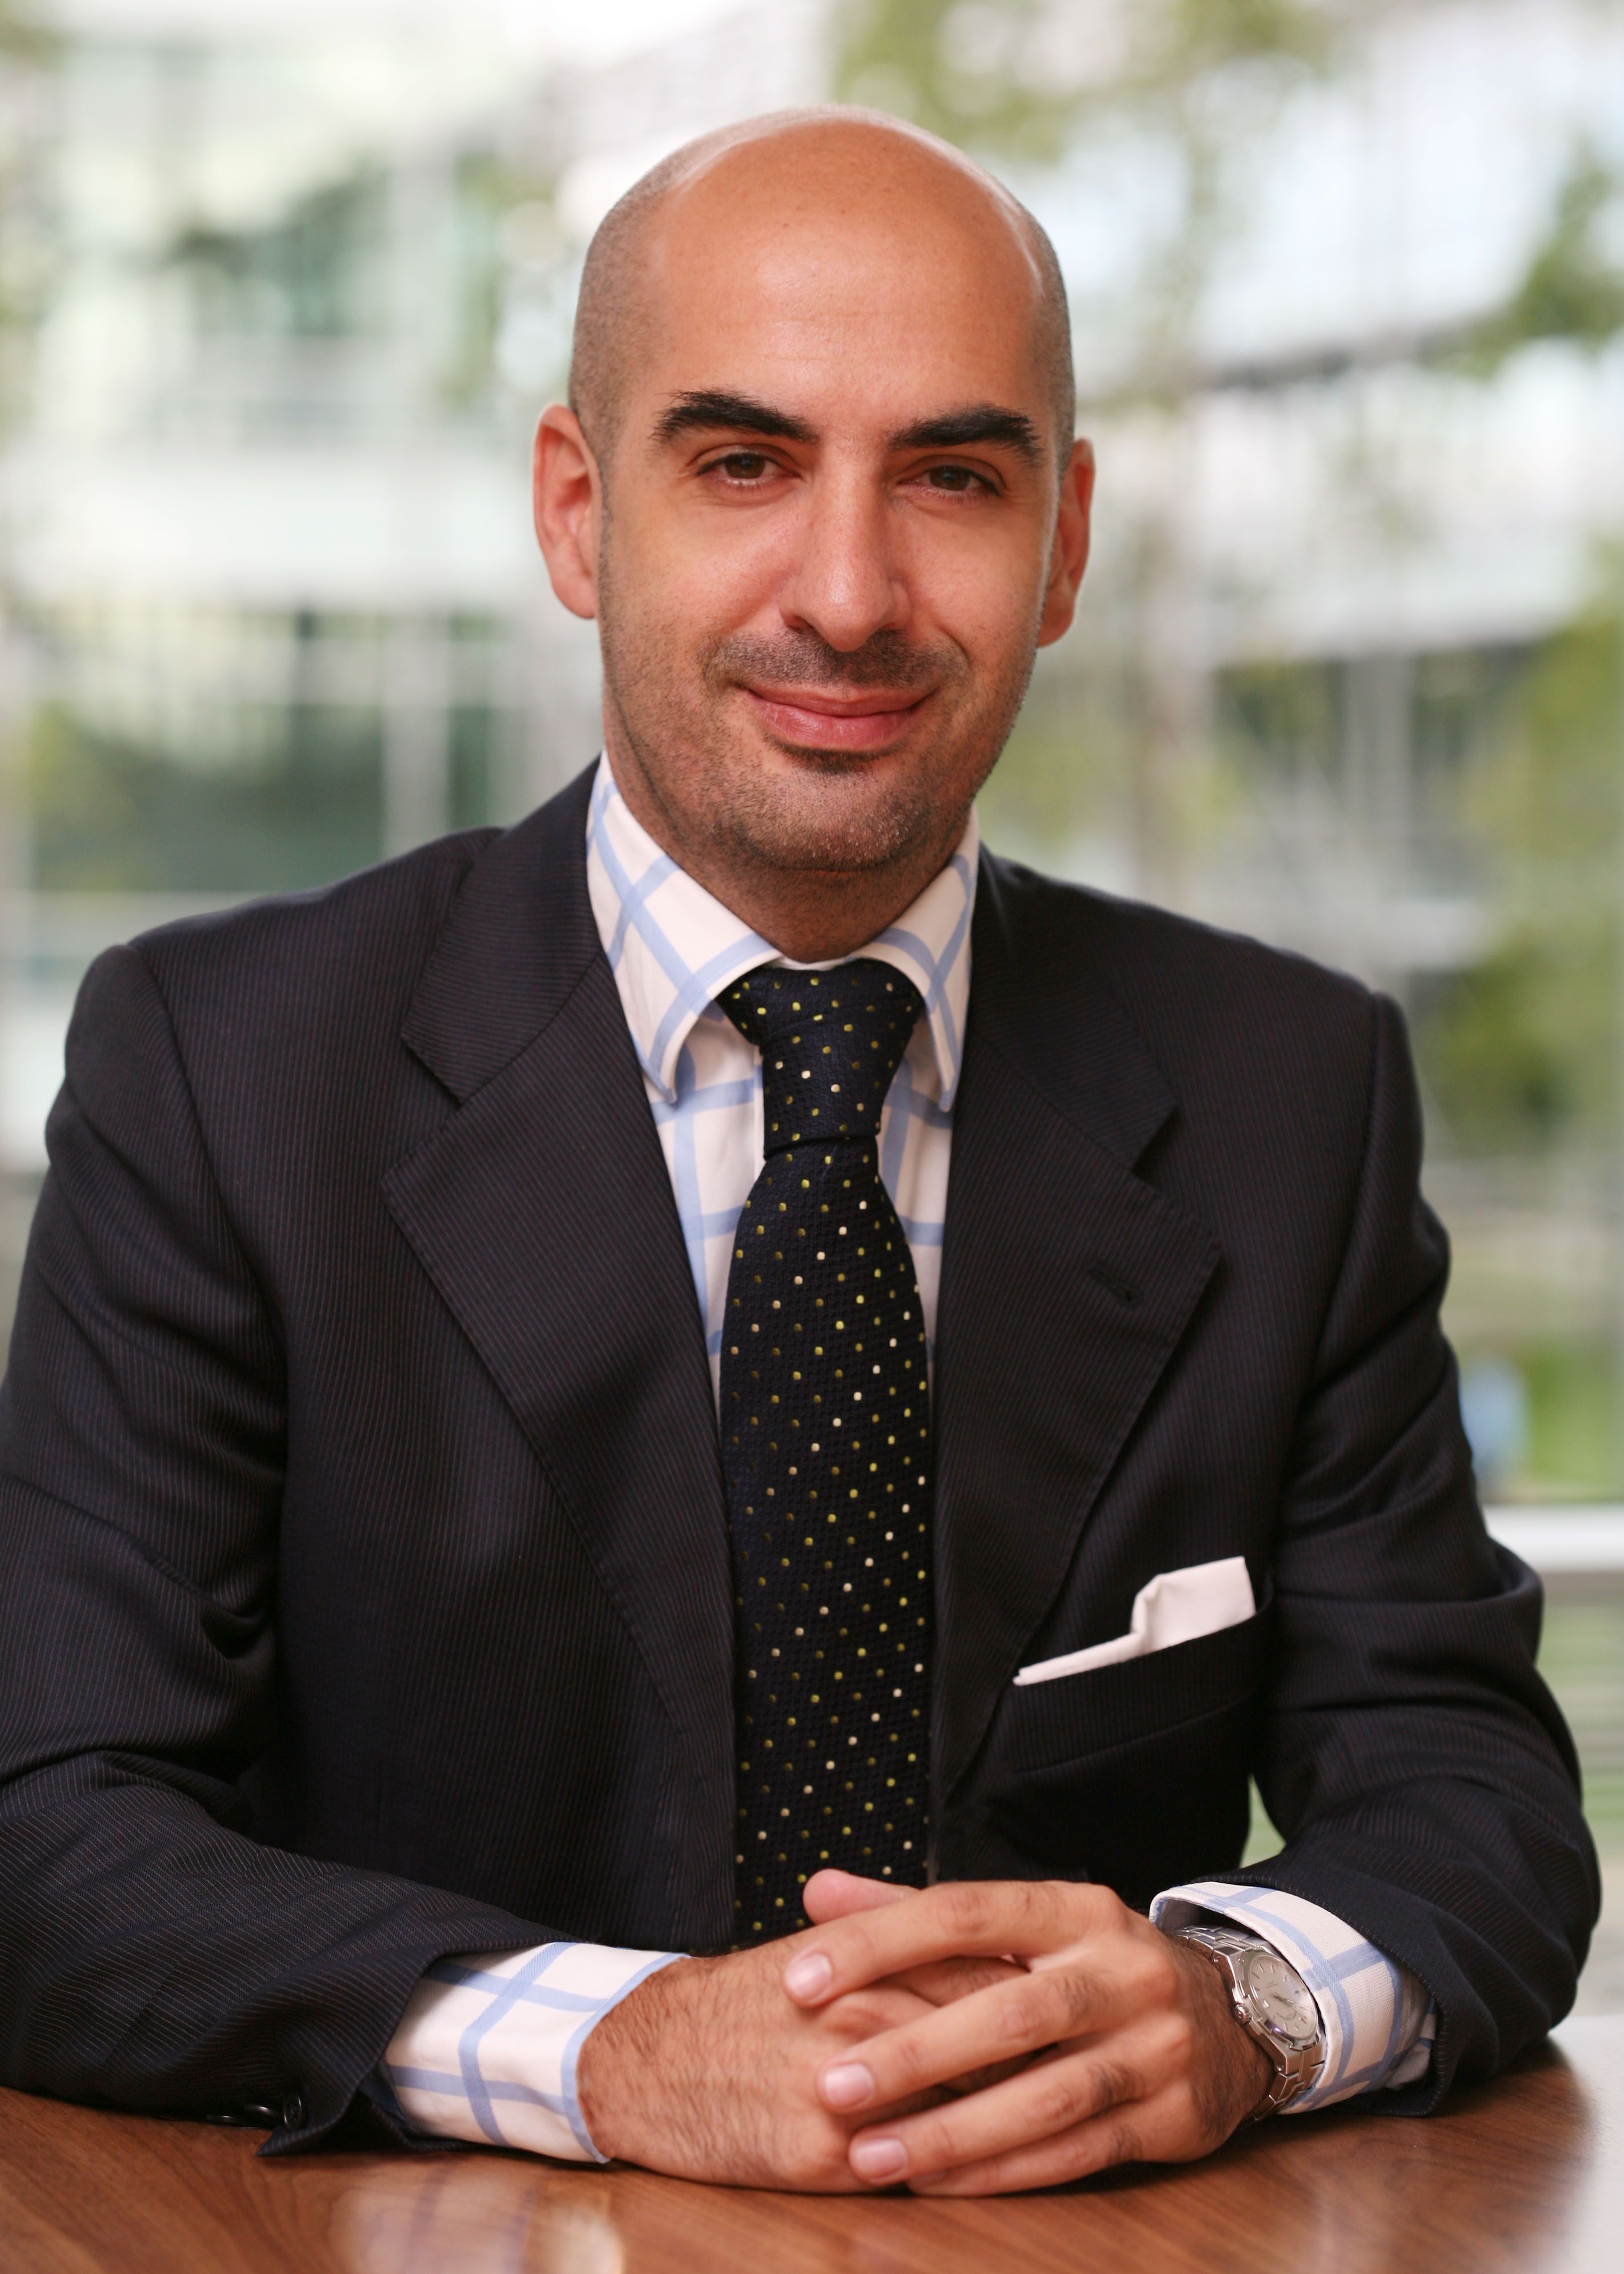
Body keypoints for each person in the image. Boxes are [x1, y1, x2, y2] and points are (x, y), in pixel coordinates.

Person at [0, 110, 1596, 2200]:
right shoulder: (225, 1066)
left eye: (951, 477)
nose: (848, 597)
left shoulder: (1290, 1089)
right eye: (744, 463)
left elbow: (1470, 1789)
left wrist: (1240, 1999)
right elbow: (51, 1826)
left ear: (1065, 541)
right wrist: (604, 2046)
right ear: (579, 512)